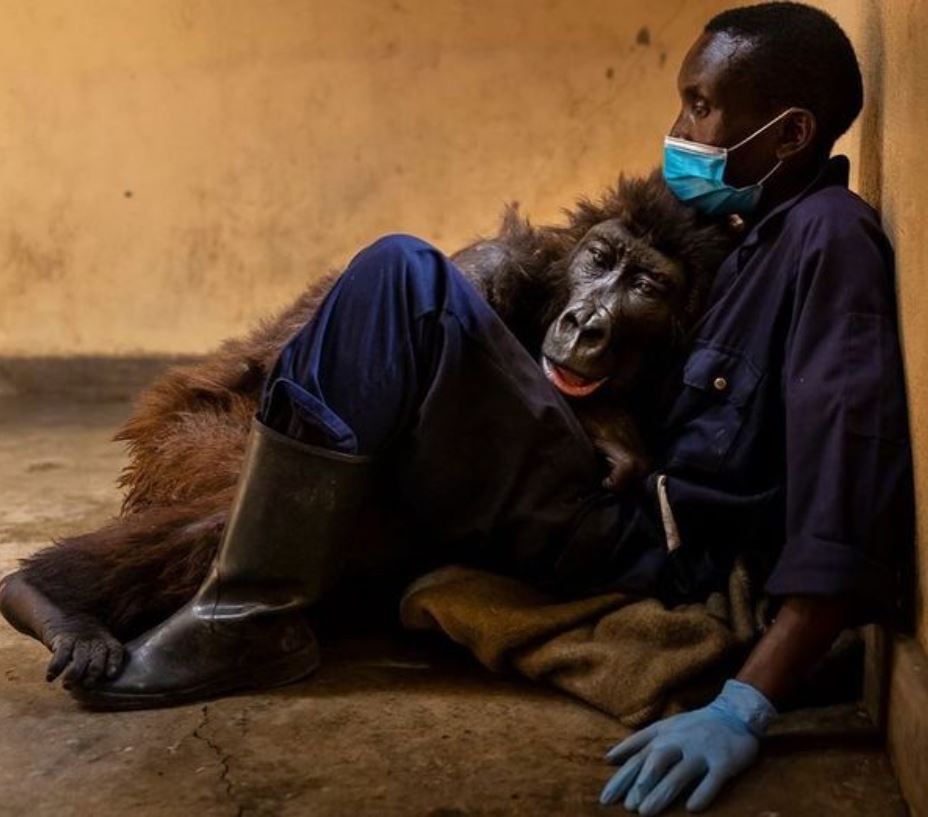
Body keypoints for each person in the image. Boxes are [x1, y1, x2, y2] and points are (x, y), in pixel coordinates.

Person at [0, 2, 913, 814]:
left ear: (789, 134)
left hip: (641, 544)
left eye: (702, 107)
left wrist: (744, 705)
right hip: (602, 493)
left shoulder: (829, 243)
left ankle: (248, 616)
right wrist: (608, 421)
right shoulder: (746, 236)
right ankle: (185, 586)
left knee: (404, 276)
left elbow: (847, 480)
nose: (682, 127)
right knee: (409, 307)